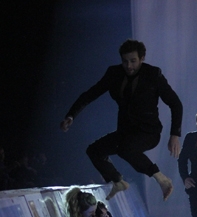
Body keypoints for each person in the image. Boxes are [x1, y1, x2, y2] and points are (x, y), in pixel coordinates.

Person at [60, 39, 183, 201]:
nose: (129, 66)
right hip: (125, 132)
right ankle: (117, 181)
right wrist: (71, 115)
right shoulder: (114, 73)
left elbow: (175, 103)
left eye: (133, 61)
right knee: (94, 151)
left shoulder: (153, 74)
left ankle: (162, 178)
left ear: (142, 58)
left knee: (126, 149)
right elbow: (90, 94)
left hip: (149, 132)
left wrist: (174, 134)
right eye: (125, 61)